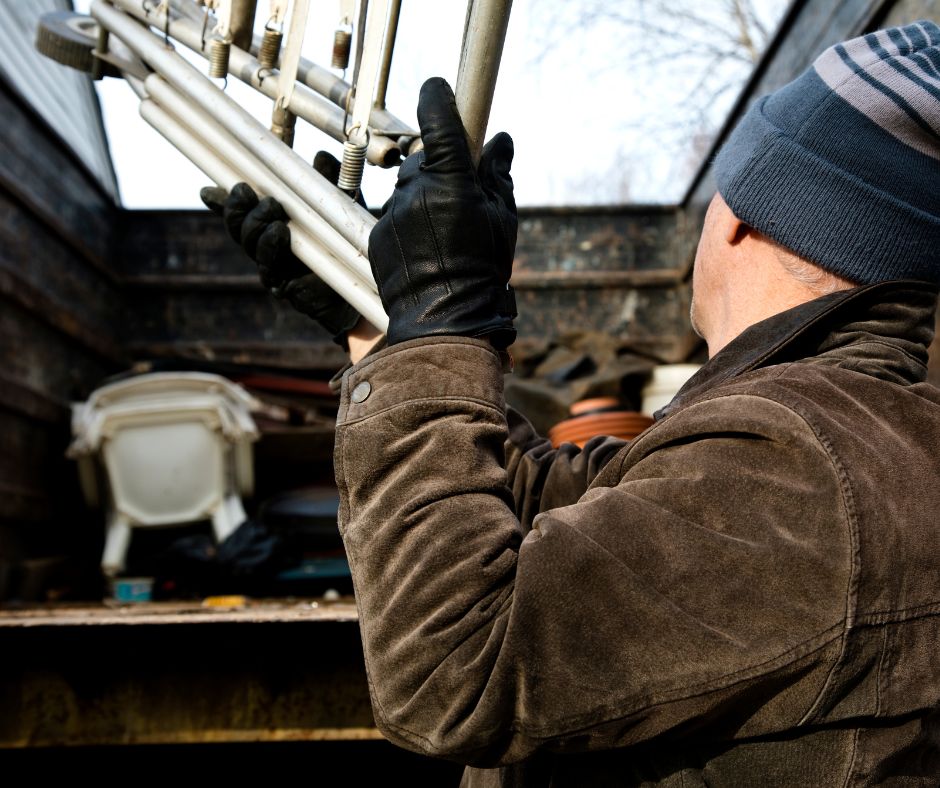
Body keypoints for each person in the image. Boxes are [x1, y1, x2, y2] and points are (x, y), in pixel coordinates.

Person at [206, 21, 940, 786]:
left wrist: (439, 328)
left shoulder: (804, 471)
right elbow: (537, 506)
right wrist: (385, 331)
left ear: (746, 217)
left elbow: (451, 672)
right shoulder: (827, 434)